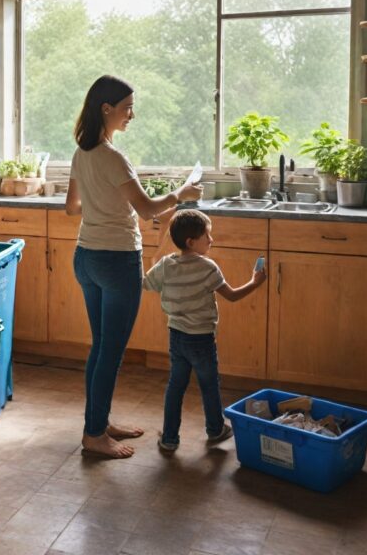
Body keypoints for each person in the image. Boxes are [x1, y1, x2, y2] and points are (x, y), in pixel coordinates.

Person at [65, 75, 203, 459]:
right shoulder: (113, 157)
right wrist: (183, 194)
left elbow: (71, 207)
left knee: (101, 348)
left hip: (87, 258)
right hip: (116, 260)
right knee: (110, 351)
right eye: (127, 107)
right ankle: (94, 435)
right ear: (106, 109)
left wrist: (103, 203)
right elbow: (146, 211)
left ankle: (99, 421)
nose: (132, 114)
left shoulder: (83, 152)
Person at [143, 209, 266, 451]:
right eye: (207, 235)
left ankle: (169, 439)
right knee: (209, 384)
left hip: (176, 337)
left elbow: (146, 283)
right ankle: (215, 429)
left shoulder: (166, 265)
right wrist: (254, 282)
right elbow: (231, 296)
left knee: (175, 386)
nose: (212, 240)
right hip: (201, 339)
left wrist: (155, 251)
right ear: (191, 242)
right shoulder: (208, 267)